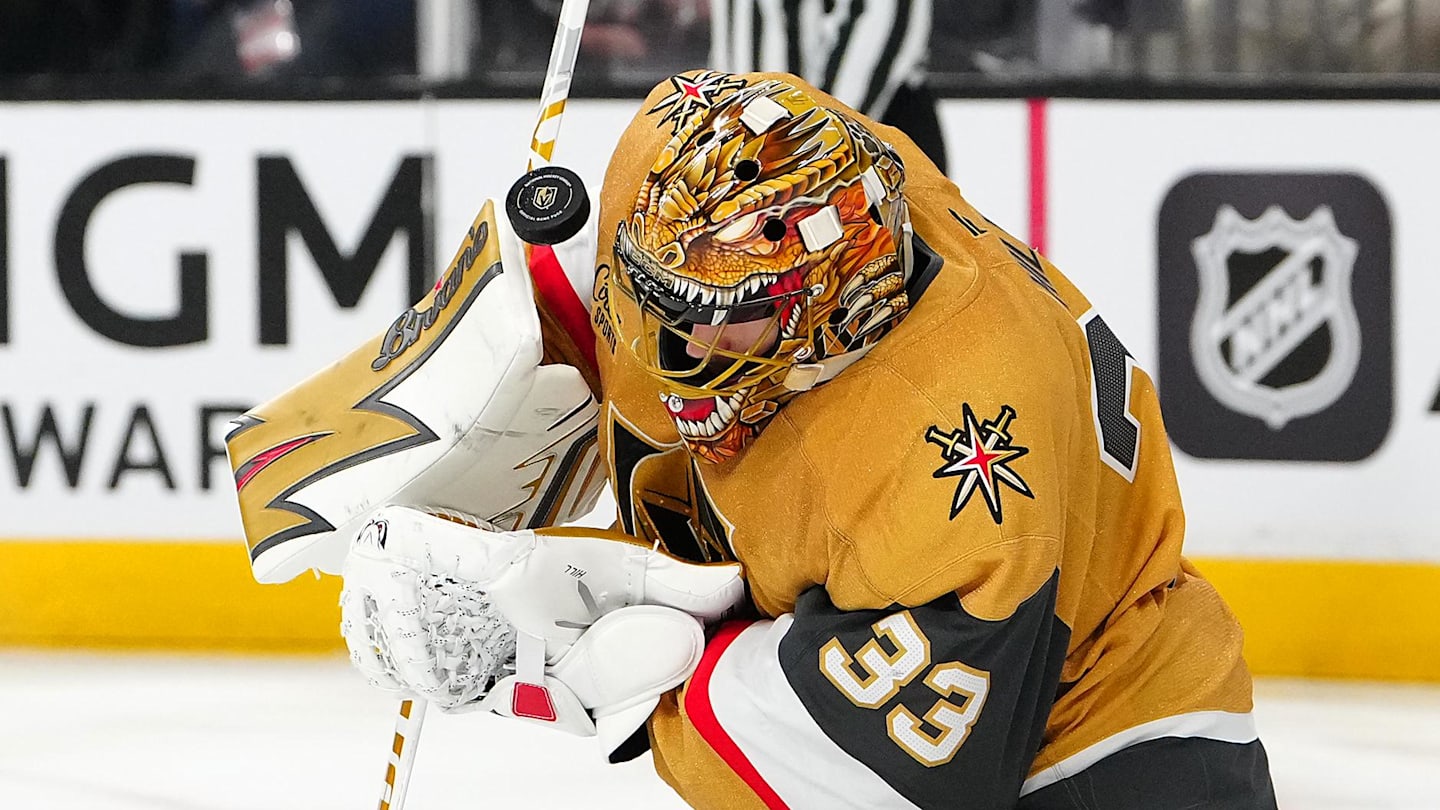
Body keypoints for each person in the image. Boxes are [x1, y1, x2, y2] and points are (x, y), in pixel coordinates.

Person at [337, 71, 1277, 808]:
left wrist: (538, 654)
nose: (684, 349)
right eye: (668, 305)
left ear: (823, 313)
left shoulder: (960, 459)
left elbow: (904, 781)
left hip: (1101, 752)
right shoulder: (765, 173)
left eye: (727, 322)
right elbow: (666, 236)